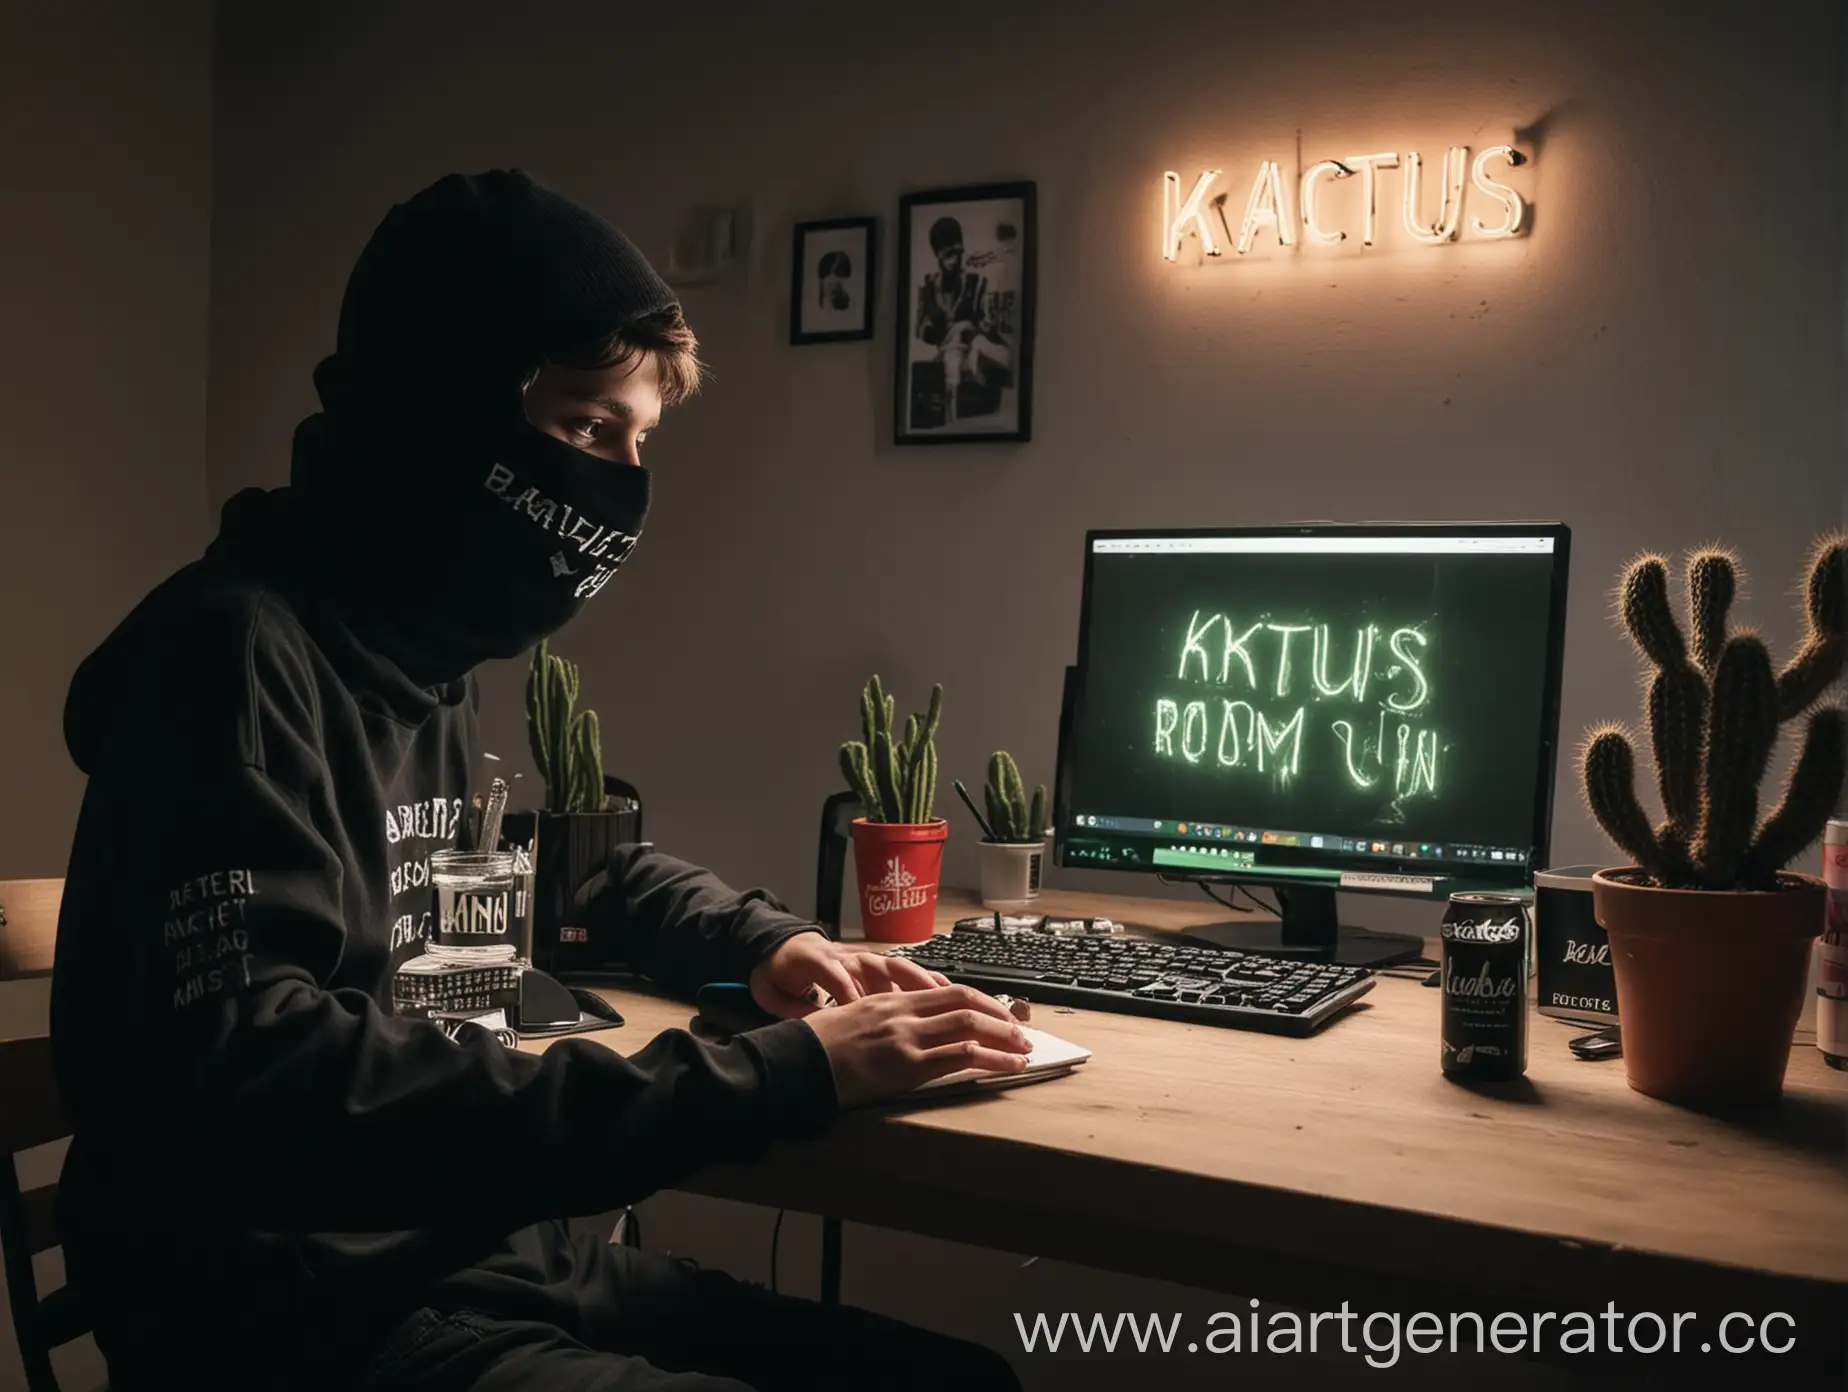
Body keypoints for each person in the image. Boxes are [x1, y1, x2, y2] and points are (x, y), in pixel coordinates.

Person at [50, 169, 1030, 1392]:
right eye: (583, 429)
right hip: (301, 1316)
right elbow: (258, 1067)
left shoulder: (415, 654)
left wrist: (760, 947)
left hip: (465, 1259)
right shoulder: (233, 656)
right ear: (438, 412)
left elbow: (545, 888)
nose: (615, 483)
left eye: (637, 443)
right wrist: (785, 1073)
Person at [913, 216, 1010, 420]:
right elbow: (922, 332)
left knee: (977, 345)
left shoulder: (974, 284)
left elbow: (983, 322)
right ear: (938, 256)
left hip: (972, 347)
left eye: (959, 252)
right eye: (949, 254)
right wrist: (949, 328)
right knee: (952, 358)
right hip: (947, 352)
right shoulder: (928, 290)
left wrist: (979, 328)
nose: (956, 259)